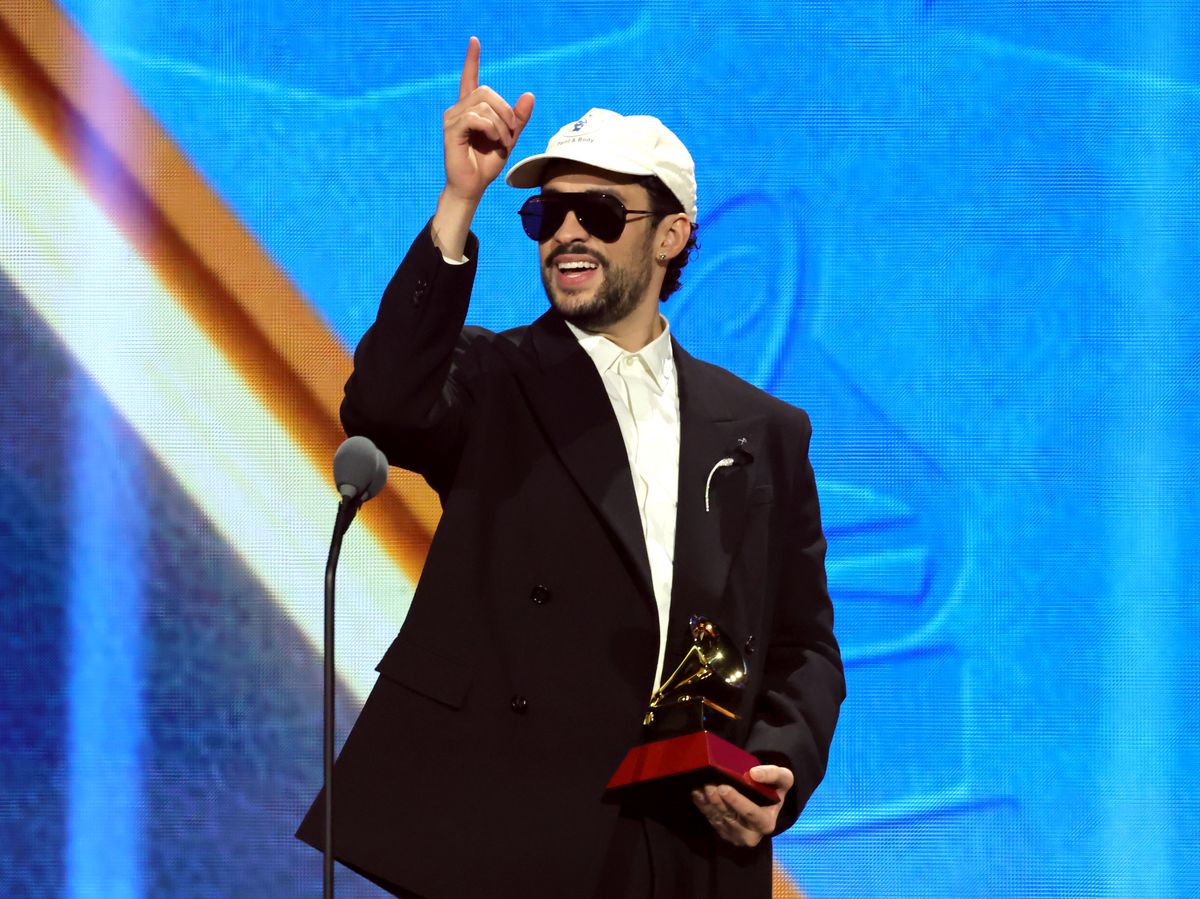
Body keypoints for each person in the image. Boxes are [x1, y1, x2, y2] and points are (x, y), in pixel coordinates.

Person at [298, 37, 844, 899]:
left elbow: (803, 643)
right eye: (548, 216)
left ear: (671, 236)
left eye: (599, 211)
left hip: (678, 845)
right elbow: (386, 405)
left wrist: (775, 764)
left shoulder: (765, 429)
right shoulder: (494, 378)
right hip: (507, 828)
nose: (568, 233)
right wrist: (459, 198)